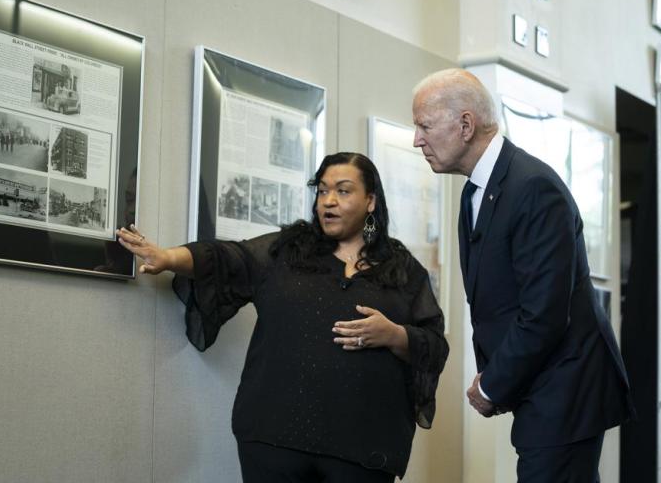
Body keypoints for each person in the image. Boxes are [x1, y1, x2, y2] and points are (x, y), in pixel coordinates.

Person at [117, 152, 449, 482]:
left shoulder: (402, 271)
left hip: (362, 449)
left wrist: (394, 335)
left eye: (343, 191)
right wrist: (168, 256)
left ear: (371, 201)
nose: (328, 201)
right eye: (322, 191)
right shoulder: (288, 251)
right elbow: (228, 258)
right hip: (274, 440)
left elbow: (434, 345)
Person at [412, 68, 634, 482]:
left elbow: (544, 314)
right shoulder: (474, 191)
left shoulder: (533, 187)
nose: (417, 140)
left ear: (465, 125)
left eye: (424, 125)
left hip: (567, 390)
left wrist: (493, 384)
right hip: (541, 387)